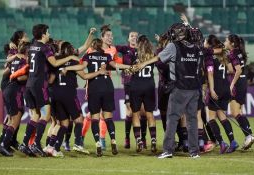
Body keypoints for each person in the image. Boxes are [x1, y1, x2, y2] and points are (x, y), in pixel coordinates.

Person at [134, 22, 202, 158]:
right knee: (192, 120)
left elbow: (158, 57)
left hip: (179, 88)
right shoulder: (196, 47)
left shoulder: (173, 46)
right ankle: (194, 152)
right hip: (194, 89)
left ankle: (168, 150)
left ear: (177, 33)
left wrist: (143, 63)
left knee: (172, 119)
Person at [62, 38, 131, 156]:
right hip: (107, 86)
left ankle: (98, 143)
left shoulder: (88, 56)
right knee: (108, 117)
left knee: (95, 118)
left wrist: (67, 68)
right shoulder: (106, 56)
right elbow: (116, 65)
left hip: (94, 86)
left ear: (93, 46)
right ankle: (113, 141)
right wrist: (128, 66)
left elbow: (80, 67)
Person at [18, 24, 78, 157]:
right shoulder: (44, 48)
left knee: (35, 115)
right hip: (40, 85)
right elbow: (55, 63)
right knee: (46, 114)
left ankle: (24, 143)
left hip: (29, 84)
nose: (49, 34)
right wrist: (70, 57)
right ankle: (36, 144)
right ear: (43, 34)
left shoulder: (32, 46)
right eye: (48, 32)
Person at [204, 35, 238, 154]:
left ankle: (222, 142)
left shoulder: (209, 56)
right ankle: (233, 141)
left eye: (205, 41)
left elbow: (210, 74)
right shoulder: (224, 55)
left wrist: (212, 90)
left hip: (216, 89)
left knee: (211, 119)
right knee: (222, 116)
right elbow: (231, 70)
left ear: (209, 44)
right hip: (226, 88)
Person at [225, 34, 254, 150]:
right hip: (242, 81)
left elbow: (237, 71)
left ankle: (249, 135)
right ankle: (249, 135)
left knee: (235, 112)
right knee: (239, 111)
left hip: (238, 82)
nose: (225, 42)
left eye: (226, 40)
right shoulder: (238, 52)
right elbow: (233, 69)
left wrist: (232, 84)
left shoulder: (233, 53)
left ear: (232, 43)